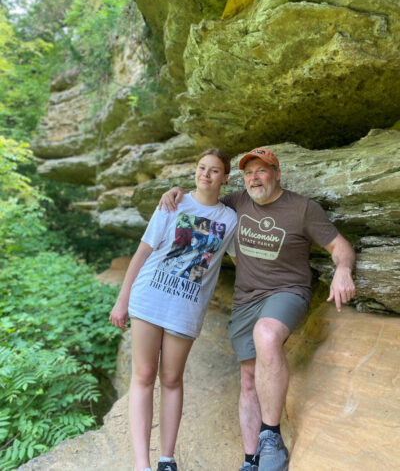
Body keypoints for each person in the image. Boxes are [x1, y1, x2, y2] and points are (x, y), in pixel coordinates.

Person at [159, 147, 356, 471]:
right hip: (246, 299)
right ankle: (251, 460)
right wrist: (177, 192)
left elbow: (340, 247)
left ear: (277, 173)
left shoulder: (302, 209)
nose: (254, 178)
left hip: (287, 292)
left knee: (266, 335)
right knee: (248, 378)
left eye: (261, 171)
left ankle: (271, 435)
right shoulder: (237, 202)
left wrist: (343, 271)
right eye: (249, 173)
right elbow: (203, 200)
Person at [109, 148, 237, 471]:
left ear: (225, 178)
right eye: (201, 167)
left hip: (185, 309)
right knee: (143, 376)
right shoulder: (173, 203)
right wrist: (122, 299)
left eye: (214, 170)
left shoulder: (230, 219)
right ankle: (142, 464)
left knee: (171, 379)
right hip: (149, 298)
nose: (205, 174)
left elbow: (249, 255)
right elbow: (142, 253)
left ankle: (167, 459)